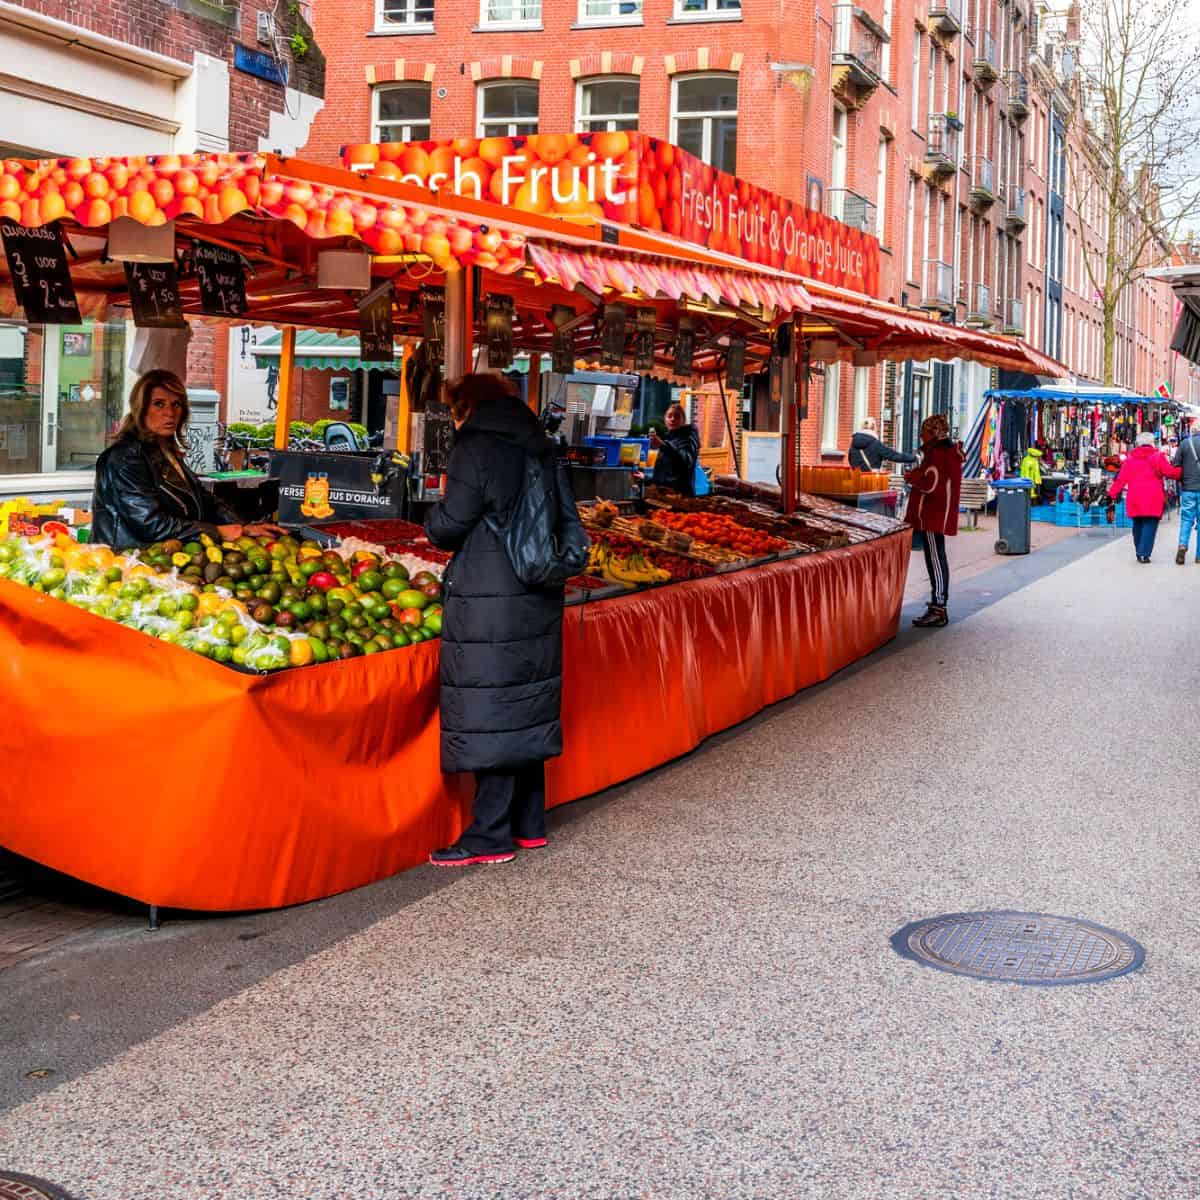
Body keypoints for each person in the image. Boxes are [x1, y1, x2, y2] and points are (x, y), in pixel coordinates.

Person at [425, 373, 568, 867]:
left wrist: (432, 520)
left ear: (466, 407)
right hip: (538, 588)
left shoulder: (476, 446)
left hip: (492, 591)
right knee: (525, 700)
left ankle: (489, 835)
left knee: (493, 708)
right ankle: (529, 824)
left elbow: (451, 524)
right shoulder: (539, 443)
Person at [91, 369, 282, 549]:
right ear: (141, 408)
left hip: (167, 560)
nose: (170, 413)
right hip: (128, 565)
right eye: (159, 404)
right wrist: (217, 532)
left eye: (176, 404)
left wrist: (244, 527)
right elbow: (150, 524)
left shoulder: (164, 451)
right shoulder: (125, 458)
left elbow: (205, 500)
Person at [904, 413, 964, 629]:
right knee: (935, 556)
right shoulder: (944, 452)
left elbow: (931, 484)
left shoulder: (938, 454)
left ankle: (939, 606)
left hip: (933, 513)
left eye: (924, 432)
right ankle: (938, 604)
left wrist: (912, 477)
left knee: (936, 558)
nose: (920, 436)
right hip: (936, 512)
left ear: (932, 433)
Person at [1108, 431, 1181, 563]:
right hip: (1153, 497)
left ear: (1138, 443)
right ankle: (1144, 553)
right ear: (1152, 442)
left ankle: (1139, 551)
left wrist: (1112, 494)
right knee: (1150, 525)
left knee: (1137, 524)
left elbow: (1120, 479)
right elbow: (1170, 472)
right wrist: (1182, 471)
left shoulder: (1130, 459)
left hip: (1135, 497)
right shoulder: (1158, 457)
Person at [649, 402, 700, 496]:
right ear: (665, 419)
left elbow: (685, 461)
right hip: (665, 495)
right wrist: (646, 479)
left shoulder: (689, 437)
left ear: (683, 420)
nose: (672, 419)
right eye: (669, 416)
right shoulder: (669, 438)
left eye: (677, 417)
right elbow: (665, 472)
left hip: (680, 497)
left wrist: (663, 446)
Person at [1172, 420, 1200, 564]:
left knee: (1187, 520)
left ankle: (1183, 546)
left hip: (1188, 488)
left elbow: (1176, 464)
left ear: (1192, 430)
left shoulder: (1184, 444)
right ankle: (1199, 555)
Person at [847, 416, 916, 472]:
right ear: (874, 428)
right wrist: (913, 458)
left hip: (855, 481)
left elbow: (850, 460)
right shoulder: (875, 444)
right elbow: (894, 455)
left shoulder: (853, 444)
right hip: (871, 480)